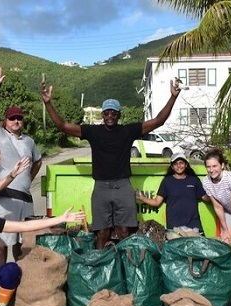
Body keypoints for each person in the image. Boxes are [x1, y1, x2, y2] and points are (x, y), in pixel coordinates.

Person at [41, 75, 182, 249]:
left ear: (119, 115)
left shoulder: (128, 131)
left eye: (113, 113)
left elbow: (159, 121)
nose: (110, 116)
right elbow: (62, 126)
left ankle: (124, 266)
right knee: (102, 232)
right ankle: (103, 267)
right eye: (106, 112)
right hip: (101, 187)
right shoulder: (92, 132)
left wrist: (173, 97)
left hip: (123, 186)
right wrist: (48, 103)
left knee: (124, 232)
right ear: (102, 114)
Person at [0, 65, 44, 261]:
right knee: (0, 245)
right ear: (5, 121)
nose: (16, 121)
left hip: (26, 199)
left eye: (19, 118)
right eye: (12, 118)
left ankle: (21, 285)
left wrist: (28, 177)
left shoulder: (29, 140)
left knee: (23, 246)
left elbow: (38, 161)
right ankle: (1, 286)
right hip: (5, 198)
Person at [135, 152, 208, 231]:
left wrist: (217, 191)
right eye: (175, 164)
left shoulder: (194, 180)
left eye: (181, 163)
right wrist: (142, 198)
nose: (179, 166)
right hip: (174, 227)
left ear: (186, 165)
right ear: (172, 166)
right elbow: (156, 202)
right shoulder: (167, 182)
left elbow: (206, 198)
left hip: (194, 226)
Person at [202, 149, 231, 254]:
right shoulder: (206, 182)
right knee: (226, 242)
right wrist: (225, 229)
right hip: (226, 210)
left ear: (222, 165)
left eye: (214, 166)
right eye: (208, 167)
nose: (211, 170)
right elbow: (217, 206)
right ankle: (229, 268)